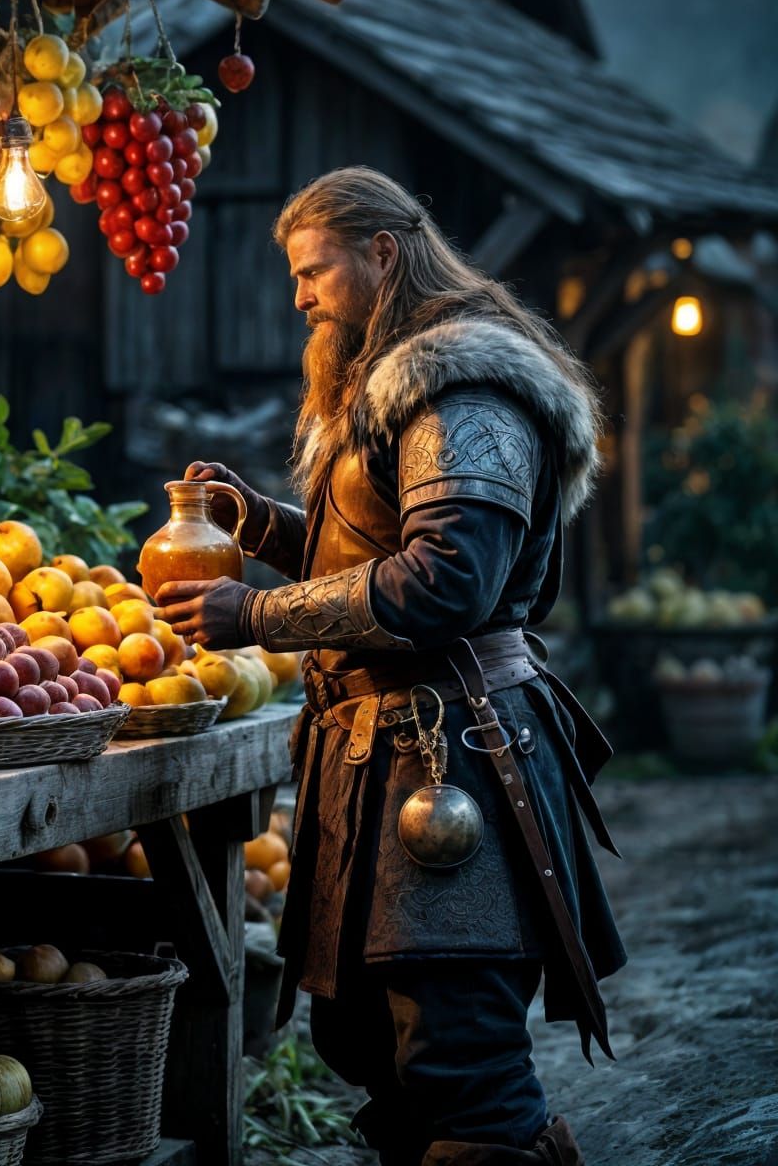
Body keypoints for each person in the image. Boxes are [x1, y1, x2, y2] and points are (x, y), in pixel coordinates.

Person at [156, 168, 625, 1166]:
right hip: (384, 750)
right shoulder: (397, 387)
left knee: (461, 1066)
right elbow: (375, 560)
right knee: (375, 1046)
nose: (300, 298)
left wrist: (256, 614)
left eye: (313, 271)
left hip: (451, 753)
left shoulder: (466, 386)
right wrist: (269, 527)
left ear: (382, 253)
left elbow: (450, 583)